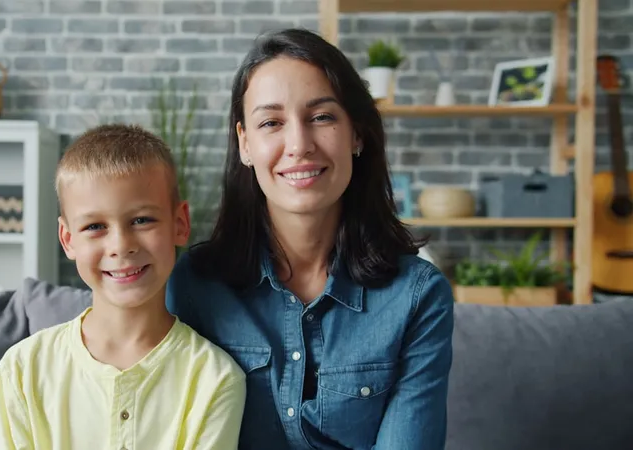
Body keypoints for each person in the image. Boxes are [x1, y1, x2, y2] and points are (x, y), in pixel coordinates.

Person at [167, 28, 455, 450]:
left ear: (356, 133)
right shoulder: (193, 285)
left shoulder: (417, 296)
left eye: (321, 117)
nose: (299, 145)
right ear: (245, 143)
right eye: (271, 123)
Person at [0, 124, 246, 450]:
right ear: (68, 239)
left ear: (180, 224)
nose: (120, 246)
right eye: (95, 226)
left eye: (141, 220)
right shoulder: (22, 369)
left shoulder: (214, 378)